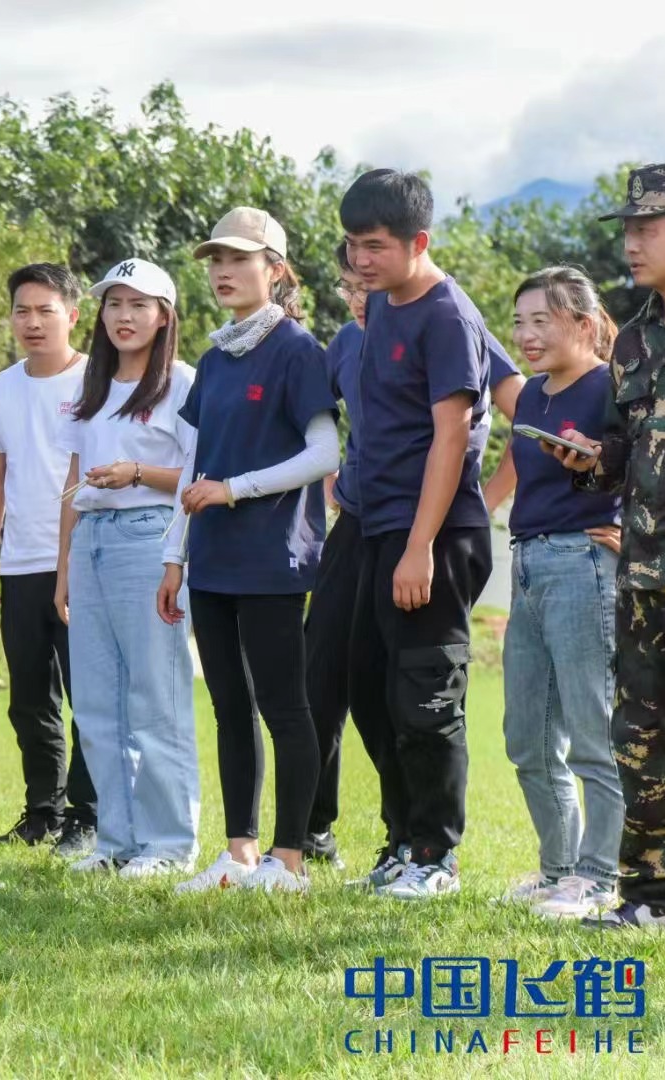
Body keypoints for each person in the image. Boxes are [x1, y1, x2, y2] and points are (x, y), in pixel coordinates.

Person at [159, 208, 339, 896]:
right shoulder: (214, 359)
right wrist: (174, 556)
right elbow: (194, 462)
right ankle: (240, 853)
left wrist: (235, 490)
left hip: (272, 560)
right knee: (229, 708)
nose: (223, 272)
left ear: (276, 270)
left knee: (284, 709)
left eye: (239, 259)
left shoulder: (297, 349)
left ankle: (288, 861)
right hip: (211, 561)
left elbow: (325, 453)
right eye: (216, 260)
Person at [340, 168, 497, 900]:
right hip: (377, 526)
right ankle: (403, 840)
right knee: (368, 687)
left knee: (426, 699)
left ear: (418, 242)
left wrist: (419, 547)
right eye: (352, 245)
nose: (360, 260)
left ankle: (437, 856)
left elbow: (451, 437)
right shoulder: (381, 306)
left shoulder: (446, 316)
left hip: (434, 533)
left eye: (374, 246)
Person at [552, 161, 665, 930]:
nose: (631, 243)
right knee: (640, 739)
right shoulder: (631, 341)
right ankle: (653, 899)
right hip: (645, 575)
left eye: (648, 227)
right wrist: (588, 462)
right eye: (627, 229)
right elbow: (622, 458)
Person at [479, 267, 624, 919]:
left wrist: (627, 531)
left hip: (583, 564)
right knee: (528, 737)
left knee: (593, 731)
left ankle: (597, 877)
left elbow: (647, 461)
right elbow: (516, 468)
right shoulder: (533, 395)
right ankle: (558, 869)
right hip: (529, 564)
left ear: (584, 325)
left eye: (542, 320)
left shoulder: (610, 386)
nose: (526, 334)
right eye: (519, 322)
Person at [52, 258, 198, 877]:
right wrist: (64, 566)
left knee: (156, 698)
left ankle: (169, 843)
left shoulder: (183, 383)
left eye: (139, 304)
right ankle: (116, 842)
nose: (124, 316)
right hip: (91, 541)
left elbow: (198, 474)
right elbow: (72, 480)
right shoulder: (91, 385)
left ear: (164, 315)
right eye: (114, 303)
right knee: (96, 702)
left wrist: (137, 473)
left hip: (150, 539)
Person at [0, 263, 98, 856]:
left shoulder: (99, 381)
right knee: (29, 700)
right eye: (22, 311)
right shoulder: (2, 388)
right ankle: (42, 812)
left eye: (46, 310)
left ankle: (87, 816)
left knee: (87, 697)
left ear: (72, 315)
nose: (33, 322)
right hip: (21, 564)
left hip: (86, 561)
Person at [299, 241, 369, 870]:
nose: (356, 299)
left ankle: (414, 843)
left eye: (365, 286)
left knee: (394, 689)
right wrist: (331, 479)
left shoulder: (443, 324)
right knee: (319, 676)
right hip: (351, 527)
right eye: (348, 287)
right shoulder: (345, 342)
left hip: (418, 532)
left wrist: (481, 503)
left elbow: (511, 400)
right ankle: (314, 827)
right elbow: (312, 416)